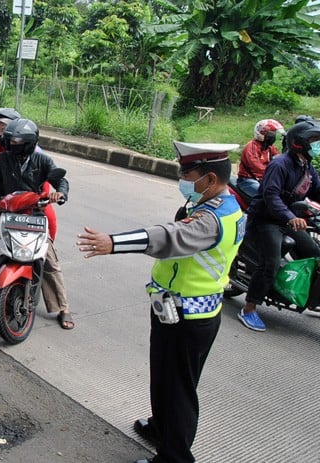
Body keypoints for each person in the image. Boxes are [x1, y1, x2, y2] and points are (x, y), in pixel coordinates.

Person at [76, 141, 245, 463]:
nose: (183, 180)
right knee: (168, 380)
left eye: (188, 174)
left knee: (178, 389)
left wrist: (113, 242)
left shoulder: (210, 220)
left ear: (210, 179)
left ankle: (174, 457)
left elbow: (170, 237)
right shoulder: (226, 204)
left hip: (188, 316)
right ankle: (160, 428)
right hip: (186, 311)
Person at [238, 120, 320, 332]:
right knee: (271, 264)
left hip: (287, 220)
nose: (317, 145)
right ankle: (249, 308)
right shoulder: (280, 164)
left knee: (314, 252)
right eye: (314, 140)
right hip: (266, 220)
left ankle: (303, 292)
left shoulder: (306, 166)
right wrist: (289, 217)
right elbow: (271, 196)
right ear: (300, 143)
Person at [0, 118, 74, 329]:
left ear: (28, 143)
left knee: (49, 259)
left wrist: (61, 194)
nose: (11, 144)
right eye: (9, 141)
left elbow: (61, 181)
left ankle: (63, 306)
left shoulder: (43, 161)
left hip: (35, 214)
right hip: (9, 213)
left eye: (15, 142)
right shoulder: (2, 160)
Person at [0, 108, 58, 242]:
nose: (1, 134)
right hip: (2, 195)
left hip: (33, 195)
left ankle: (47, 245)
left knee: (49, 218)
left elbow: (45, 184)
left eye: (4, 130)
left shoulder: (36, 153)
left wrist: (42, 199)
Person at [236, 119, 284, 198]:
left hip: (263, 179)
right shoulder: (251, 147)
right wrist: (274, 175)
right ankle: (254, 210)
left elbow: (279, 160)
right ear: (261, 134)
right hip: (248, 180)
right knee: (268, 196)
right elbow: (257, 167)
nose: (273, 136)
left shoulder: (269, 147)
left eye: (274, 133)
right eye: (270, 134)